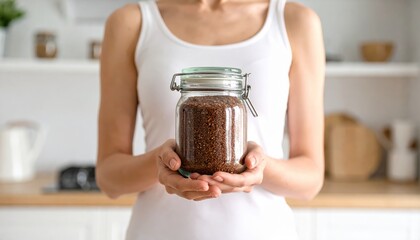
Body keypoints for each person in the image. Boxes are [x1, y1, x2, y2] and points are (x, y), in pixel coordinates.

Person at [96, 0, 325, 239]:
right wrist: (160, 163)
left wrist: (258, 167)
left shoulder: (294, 21)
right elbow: (108, 177)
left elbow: (311, 179)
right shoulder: (131, 22)